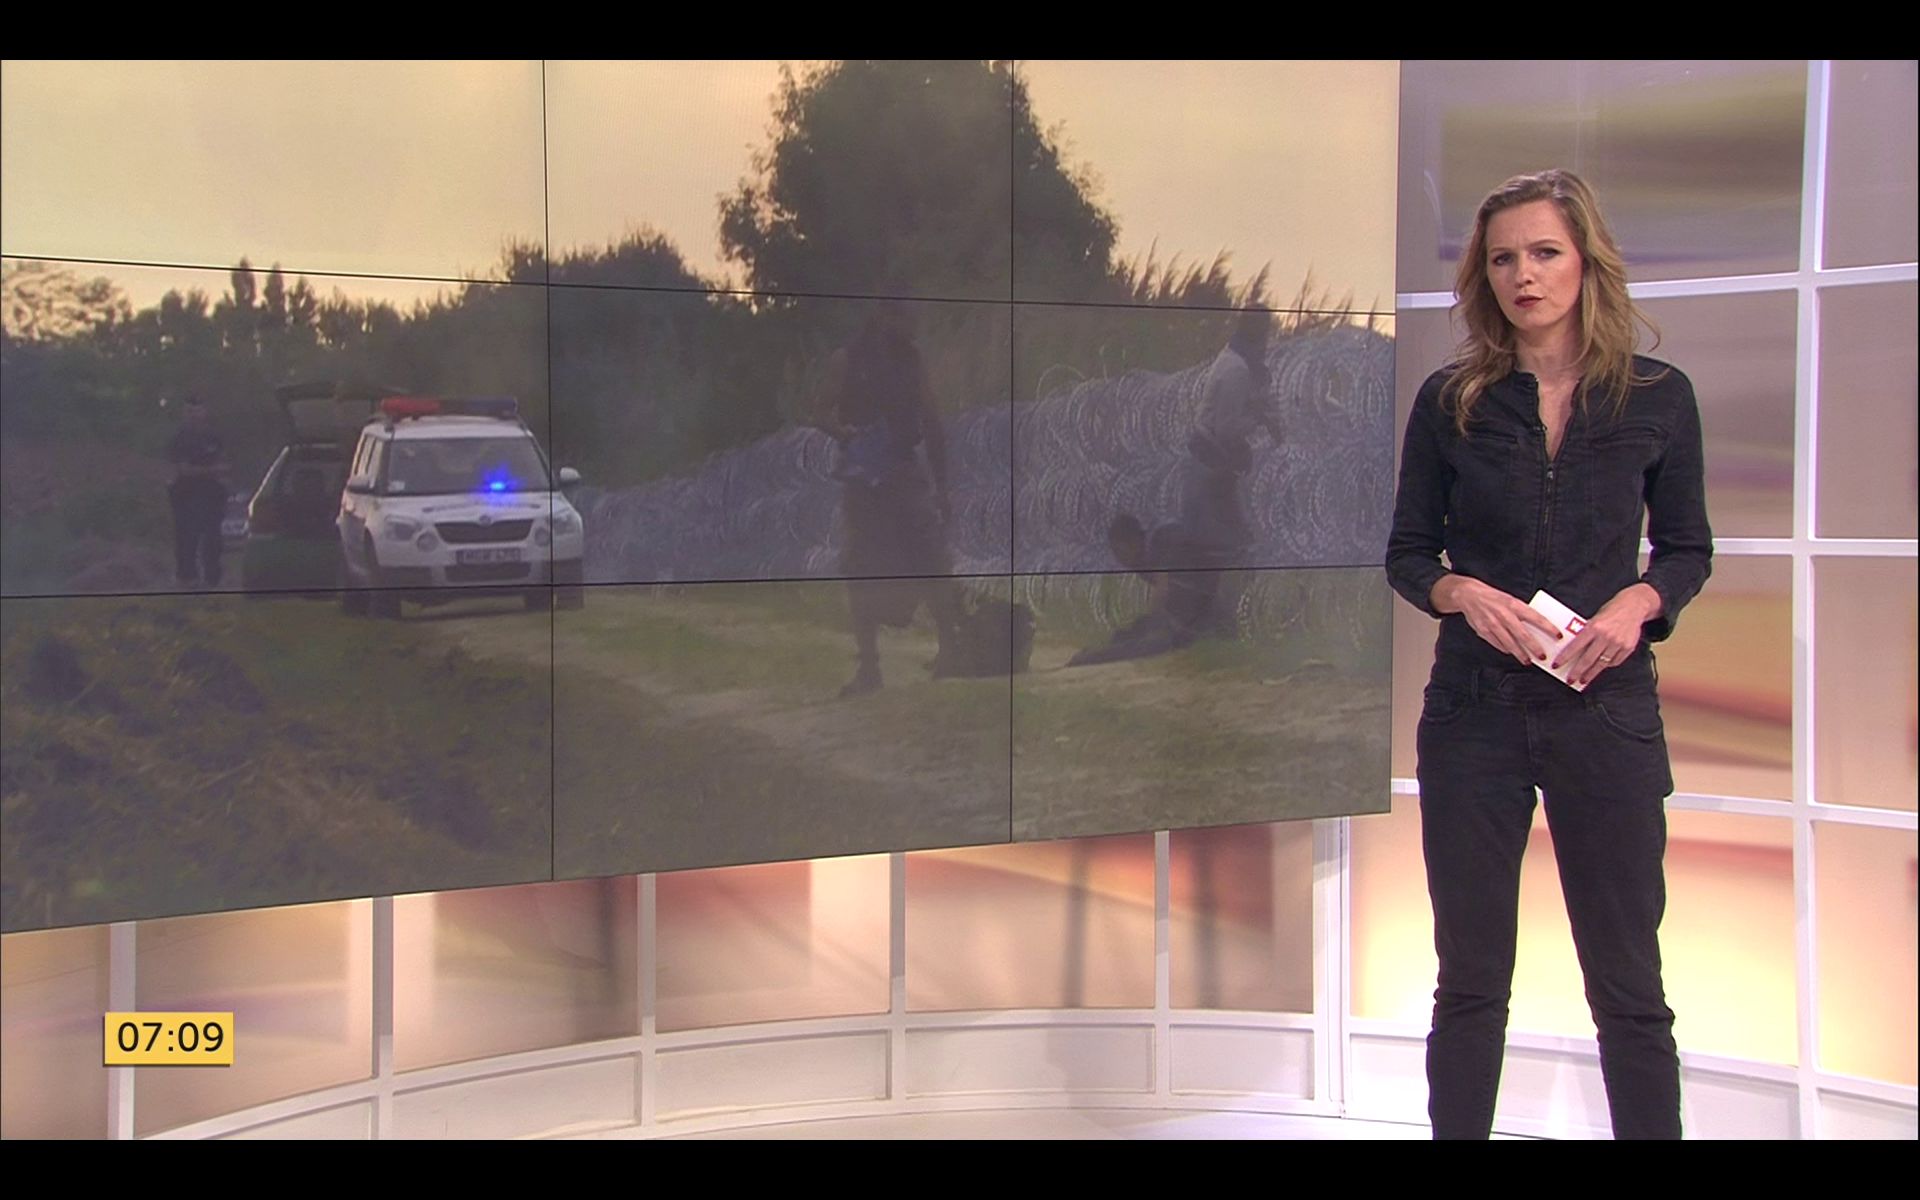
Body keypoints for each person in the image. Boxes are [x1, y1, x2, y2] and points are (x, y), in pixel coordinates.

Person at [1385, 169, 1713, 1140]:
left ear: (1585, 261)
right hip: (1473, 714)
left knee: (1629, 986)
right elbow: (1409, 553)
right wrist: (1460, 593)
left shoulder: (1658, 397)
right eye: (1502, 259)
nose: (1523, 275)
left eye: (1544, 252)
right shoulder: (1453, 400)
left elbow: (1687, 548)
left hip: (1604, 710)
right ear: (1483, 277)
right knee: (1470, 981)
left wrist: (1639, 603)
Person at [815, 303, 963, 698]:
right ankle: (870, 667)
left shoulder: (911, 360)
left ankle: (949, 652)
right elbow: (820, 411)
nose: (914, 326)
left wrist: (941, 485)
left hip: (902, 469)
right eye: (907, 318)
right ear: (885, 317)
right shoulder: (847, 359)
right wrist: (844, 434)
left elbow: (931, 419)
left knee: (931, 559)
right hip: (863, 476)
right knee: (860, 569)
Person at [166, 395, 230, 587]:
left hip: (213, 494)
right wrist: (212, 470)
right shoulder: (180, 439)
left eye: (197, 410)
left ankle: (213, 578)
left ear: (205, 412)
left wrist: (222, 475)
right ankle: (187, 577)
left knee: (213, 538)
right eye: (189, 411)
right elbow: (184, 470)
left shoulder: (213, 437)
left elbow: (224, 463)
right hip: (187, 494)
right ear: (183, 414)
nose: (193, 415)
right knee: (187, 537)